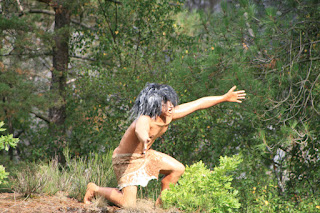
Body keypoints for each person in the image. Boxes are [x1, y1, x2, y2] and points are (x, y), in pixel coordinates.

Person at [83, 83, 246, 208]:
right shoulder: (145, 119)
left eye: (170, 102)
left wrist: (224, 97)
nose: (170, 106)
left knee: (178, 169)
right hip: (126, 160)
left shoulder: (169, 115)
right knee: (128, 204)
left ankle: (160, 206)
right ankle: (95, 189)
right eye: (164, 103)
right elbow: (140, 129)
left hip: (145, 155)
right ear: (154, 104)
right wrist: (144, 137)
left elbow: (198, 103)